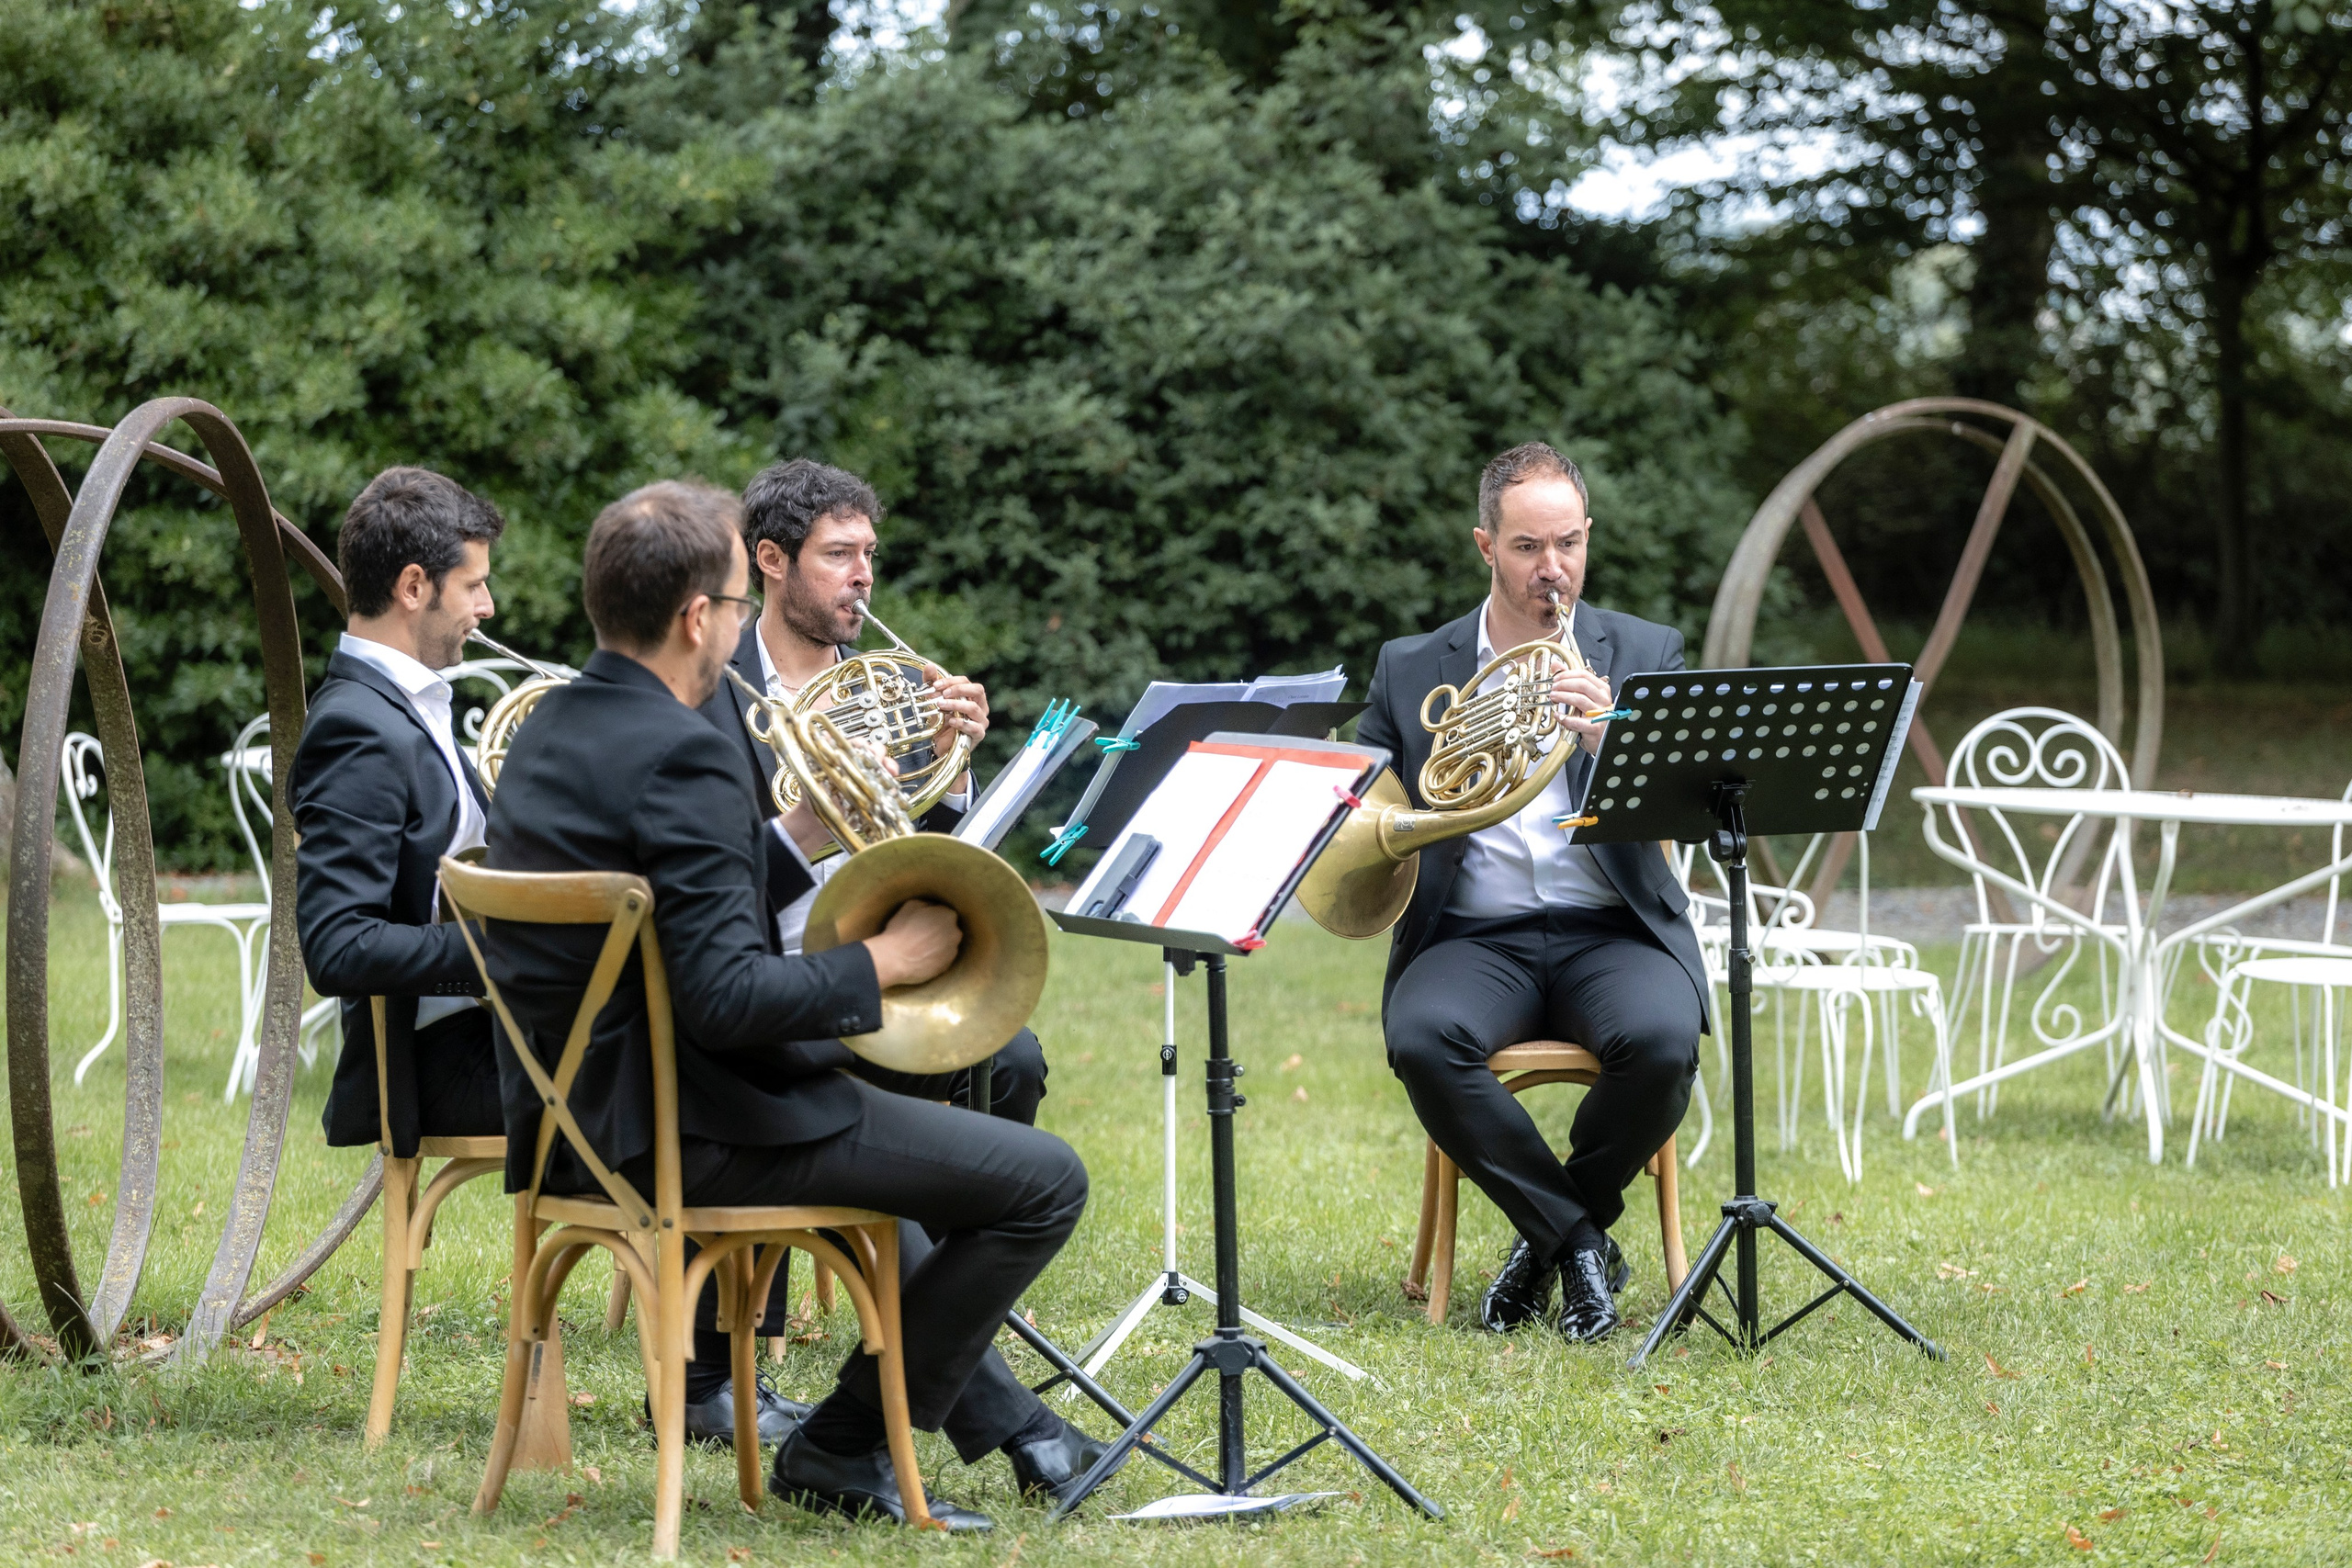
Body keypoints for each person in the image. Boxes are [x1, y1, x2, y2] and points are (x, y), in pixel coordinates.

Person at [481, 480, 1097, 1530]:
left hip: (574, 1119)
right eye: (730, 605)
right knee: (1043, 1182)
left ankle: (949, 1420)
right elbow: (725, 999)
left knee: (926, 1154)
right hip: (696, 1126)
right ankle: (844, 1446)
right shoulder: (686, 750)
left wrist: (795, 840)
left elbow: (672, 912)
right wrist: (882, 962)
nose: (734, 625)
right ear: (693, 617)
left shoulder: (553, 729)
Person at [1359, 443, 1707, 1345]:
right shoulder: (1409, 667)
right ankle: (1580, 1242)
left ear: (1587, 538)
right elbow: (1356, 806)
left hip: (1611, 927)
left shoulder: (1641, 650)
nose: (1551, 569)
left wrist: (1612, 742)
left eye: (1568, 544)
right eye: (1525, 547)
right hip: (1473, 936)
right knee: (1423, 1041)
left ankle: (1547, 1240)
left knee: (1664, 1044)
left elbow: (1695, 802)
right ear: (1484, 545)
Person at [295, 467, 505, 1160]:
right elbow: (337, 946)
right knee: (687, 1082)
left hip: (490, 1029)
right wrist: (505, 954)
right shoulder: (356, 727)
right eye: (474, 585)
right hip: (442, 1059)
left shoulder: (411, 703)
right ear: (413, 587)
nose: (489, 606)